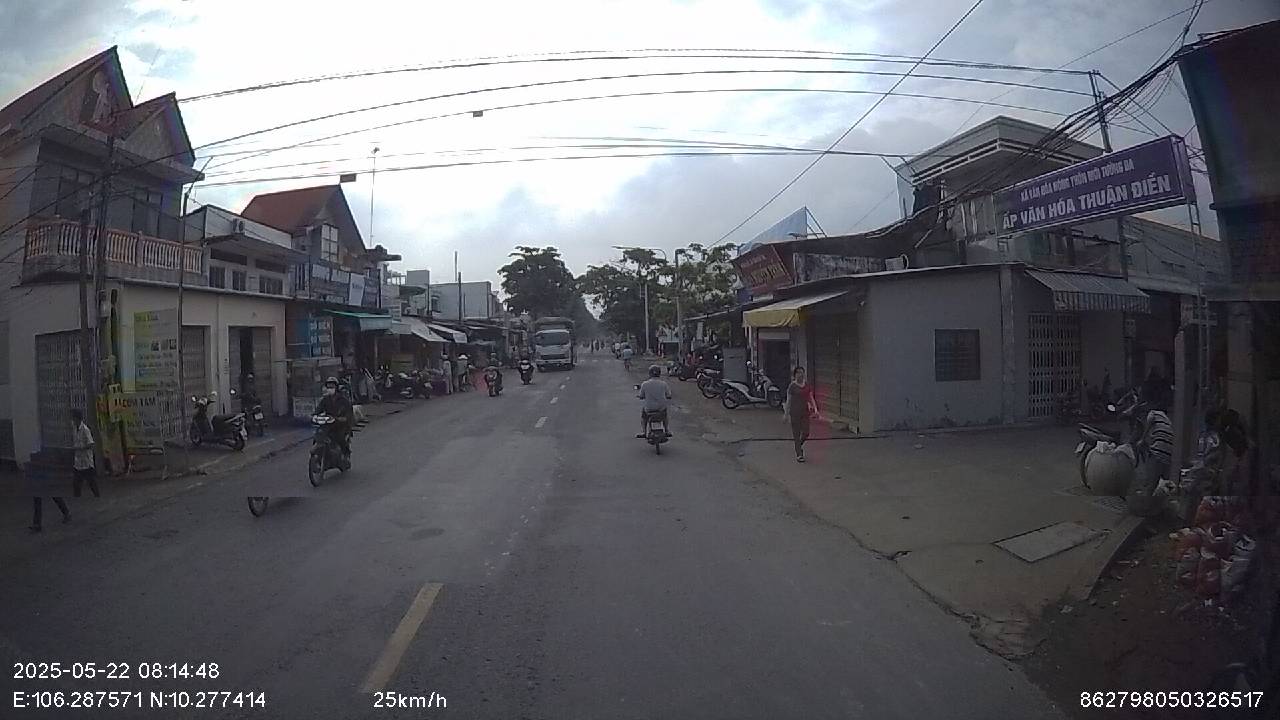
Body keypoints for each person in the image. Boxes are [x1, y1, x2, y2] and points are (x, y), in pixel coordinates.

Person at [784, 366, 818, 463]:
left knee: (806, 432)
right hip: (794, 413)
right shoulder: (792, 386)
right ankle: (799, 454)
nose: (800, 374)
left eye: (802, 372)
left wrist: (815, 409)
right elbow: (788, 401)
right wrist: (786, 414)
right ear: (795, 375)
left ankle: (798, 445)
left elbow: (811, 398)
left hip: (805, 412)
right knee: (796, 434)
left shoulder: (807, 385)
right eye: (798, 372)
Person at [315, 377, 354, 457]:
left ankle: (345, 453)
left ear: (336, 387)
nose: (330, 389)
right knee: (319, 435)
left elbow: (349, 413)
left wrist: (343, 418)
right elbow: (318, 409)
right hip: (328, 424)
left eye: (332, 386)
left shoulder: (343, 400)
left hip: (340, 425)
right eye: (328, 387)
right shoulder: (325, 399)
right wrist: (314, 415)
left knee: (340, 438)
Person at [70, 409, 100, 498]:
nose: (73, 420)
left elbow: (91, 444)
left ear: (77, 418)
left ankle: (97, 496)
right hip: (78, 460)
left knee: (91, 481)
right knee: (76, 483)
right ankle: (77, 498)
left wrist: (80, 448)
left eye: (73, 418)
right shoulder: (74, 428)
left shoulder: (85, 429)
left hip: (86, 460)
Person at [636, 364, 672, 438]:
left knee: (643, 417)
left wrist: (640, 396)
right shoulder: (664, 384)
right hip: (661, 408)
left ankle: (643, 432)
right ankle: (667, 430)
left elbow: (641, 396)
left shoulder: (645, 384)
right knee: (665, 416)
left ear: (650, 373)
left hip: (649, 409)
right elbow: (669, 395)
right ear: (659, 373)